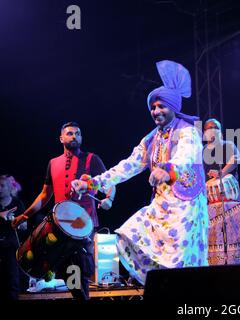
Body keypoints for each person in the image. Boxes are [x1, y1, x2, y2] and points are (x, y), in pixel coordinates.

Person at [70, 60, 209, 286]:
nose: (156, 111)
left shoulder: (187, 131)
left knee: (180, 262)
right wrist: (93, 184)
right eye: (153, 107)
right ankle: (160, 288)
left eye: (161, 106)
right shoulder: (151, 138)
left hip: (186, 207)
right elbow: (128, 165)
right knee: (129, 234)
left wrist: (167, 169)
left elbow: (186, 155)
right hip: (162, 205)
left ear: (173, 107)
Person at [13, 122, 115, 300]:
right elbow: (45, 195)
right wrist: (24, 215)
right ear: (61, 138)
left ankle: (82, 297)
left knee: (82, 267)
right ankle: (80, 297)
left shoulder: (92, 159)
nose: (74, 136)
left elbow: (109, 183)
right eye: (69, 133)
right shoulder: (53, 163)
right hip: (60, 227)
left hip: (85, 224)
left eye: (78, 133)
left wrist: (109, 198)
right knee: (68, 269)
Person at [0, 175, 26, 300]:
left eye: (2, 186)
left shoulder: (17, 203)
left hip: (11, 247)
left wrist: (17, 222)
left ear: (10, 187)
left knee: (12, 281)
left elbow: (24, 225)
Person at [203, 118, 240, 201]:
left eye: (216, 128)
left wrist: (221, 173)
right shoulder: (202, 150)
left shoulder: (228, 145)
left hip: (229, 197)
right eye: (210, 128)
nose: (213, 130)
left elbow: (235, 159)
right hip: (209, 198)